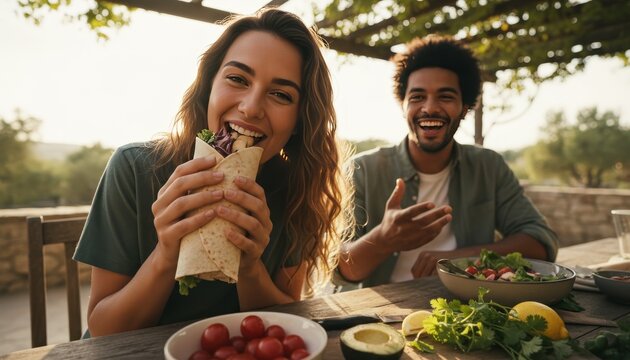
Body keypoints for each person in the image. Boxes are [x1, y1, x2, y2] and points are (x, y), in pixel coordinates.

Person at [74, 8, 351, 336]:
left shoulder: (296, 191)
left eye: (281, 94)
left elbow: (286, 326)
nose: (250, 107)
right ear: (208, 87)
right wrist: (166, 253)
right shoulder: (135, 169)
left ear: (299, 121)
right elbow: (104, 331)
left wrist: (250, 267)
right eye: (237, 79)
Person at [335, 35, 558, 289]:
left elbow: (541, 243)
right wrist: (384, 238)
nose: (430, 108)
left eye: (446, 96)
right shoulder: (362, 170)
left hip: (467, 309)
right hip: (381, 315)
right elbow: (342, 269)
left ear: (464, 108)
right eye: (417, 97)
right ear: (403, 106)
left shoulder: (489, 167)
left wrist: (460, 259)